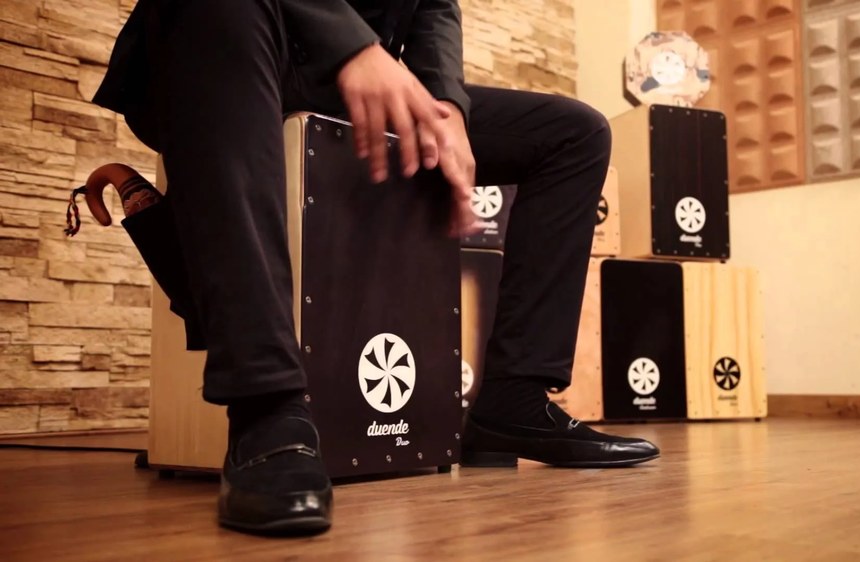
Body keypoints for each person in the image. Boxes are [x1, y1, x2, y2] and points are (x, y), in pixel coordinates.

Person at [92, 0, 659, 536]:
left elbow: (434, 6)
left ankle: (515, 402)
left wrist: (448, 106)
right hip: (230, 36)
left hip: (347, 73)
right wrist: (352, 46)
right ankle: (266, 409)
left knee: (575, 133)